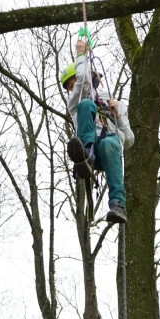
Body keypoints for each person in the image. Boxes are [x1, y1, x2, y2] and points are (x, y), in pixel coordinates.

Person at [60, 38, 133, 224]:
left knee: (110, 142)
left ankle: (117, 204)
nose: (72, 88)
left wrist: (118, 116)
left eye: (72, 82)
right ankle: (86, 154)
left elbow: (129, 140)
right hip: (88, 152)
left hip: (108, 151)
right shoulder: (76, 104)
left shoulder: (110, 102)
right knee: (86, 104)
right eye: (70, 87)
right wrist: (81, 55)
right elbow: (84, 85)